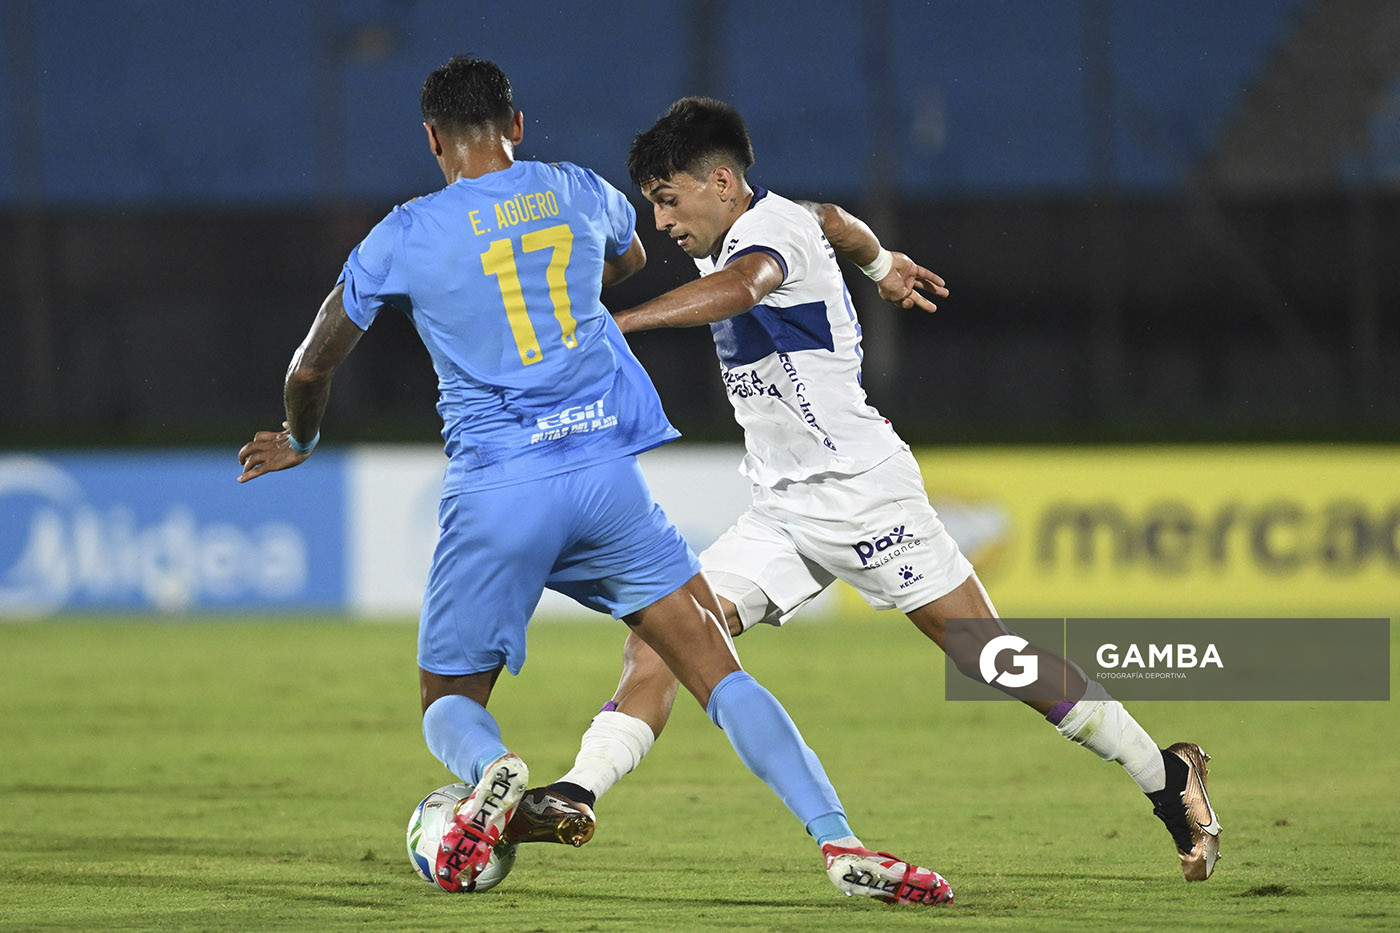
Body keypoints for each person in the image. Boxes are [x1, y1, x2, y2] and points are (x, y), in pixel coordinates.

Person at [237, 59, 952, 905]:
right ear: (519, 126)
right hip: (605, 479)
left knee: (447, 699)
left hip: (498, 488)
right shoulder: (580, 190)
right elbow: (630, 256)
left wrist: (301, 436)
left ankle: (491, 767)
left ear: (432, 138)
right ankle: (839, 841)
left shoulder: (402, 234)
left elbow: (311, 365)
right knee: (717, 672)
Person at [512, 97, 1222, 884]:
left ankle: (1166, 774)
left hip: (865, 495)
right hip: (782, 508)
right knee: (661, 636)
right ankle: (578, 792)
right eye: (651, 201)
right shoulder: (774, 216)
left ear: (720, 182)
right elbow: (839, 219)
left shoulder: (762, 238)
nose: (660, 219)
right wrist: (884, 266)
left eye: (667, 198)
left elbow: (747, 287)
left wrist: (618, 326)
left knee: (991, 657)